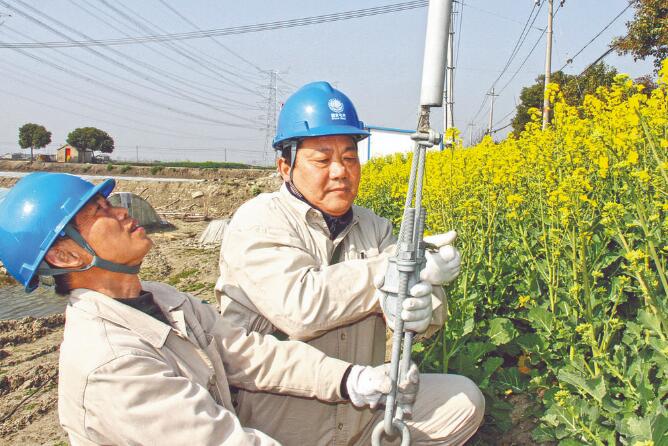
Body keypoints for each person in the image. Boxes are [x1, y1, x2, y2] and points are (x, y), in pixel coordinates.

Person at [0, 172, 420, 446]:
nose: (123, 211)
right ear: (66, 256)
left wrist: (350, 379)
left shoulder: (162, 299)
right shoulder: (112, 363)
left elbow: (248, 353)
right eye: (100, 211)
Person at [215, 81, 485, 445]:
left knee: (463, 401)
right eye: (322, 159)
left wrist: (424, 310)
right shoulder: (259, 220)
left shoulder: (374, 226)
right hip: (282, 422)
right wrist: (393, 270)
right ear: (285, 166)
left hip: (362, 409)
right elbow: (301, 308)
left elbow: (413, 296)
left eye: (349, 157)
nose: (340, 171)